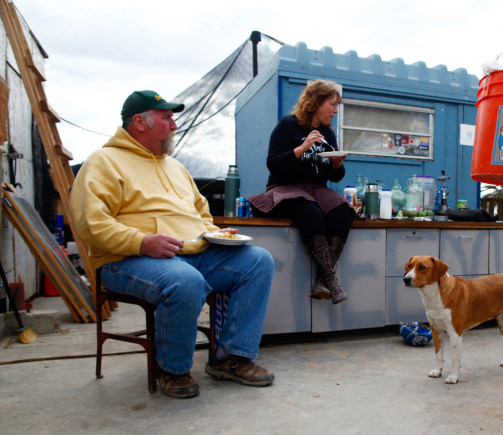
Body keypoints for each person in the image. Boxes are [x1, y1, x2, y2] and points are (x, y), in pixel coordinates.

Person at [71, 90, 275, 399]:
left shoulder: (175, 168)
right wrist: (141, 242)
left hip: (191, 253)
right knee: (184, 281)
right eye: (167, 118)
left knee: (258, 260)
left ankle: (231, 359)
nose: (174, 125)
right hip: (125, 259)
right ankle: (173, 370)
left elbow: (200, 213)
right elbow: (91, 223)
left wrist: (215, 233)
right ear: (139, 122)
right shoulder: (104, 161)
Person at [249, 79, 355, 304]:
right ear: (316, 102)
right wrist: (301, 148)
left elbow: (334, 176)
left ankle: (322, 278)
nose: (336, 111)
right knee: (310, 210)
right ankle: (332, 280)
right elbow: (273, 164)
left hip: (317, 190)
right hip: (285, 188)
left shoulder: (328, 134)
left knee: (343, 210)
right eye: (333, 105)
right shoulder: (287, 125)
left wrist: (337, 165)